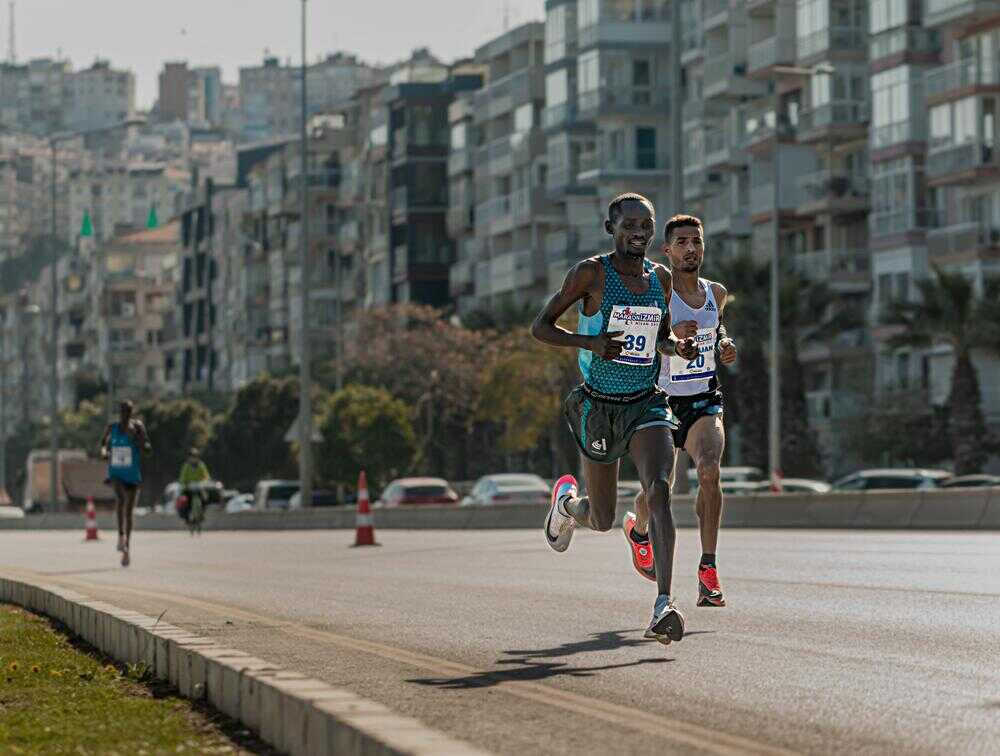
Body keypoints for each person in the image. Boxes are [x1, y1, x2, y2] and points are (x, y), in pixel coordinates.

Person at [531, 193, 698, 644]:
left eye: (647, 225)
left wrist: (674, 348)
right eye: (630, 225)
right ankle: (567, 507)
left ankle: (664, 603)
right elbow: (541, 327)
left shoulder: (659, 278)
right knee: (601, 518)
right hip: (599, 406)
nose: (639, 233)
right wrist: (590, 344)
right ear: (611, 228)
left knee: (660, 490)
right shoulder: (591, 273)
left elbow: (657, 338)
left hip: (646, 402)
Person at [625, 215, 737, 607]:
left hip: (703, 398)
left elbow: (717, 328)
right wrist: (672, 340)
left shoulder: (716, 292)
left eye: (697, 241)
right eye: (683, 242)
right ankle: (639, 530)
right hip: (660, 400)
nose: (691, 248)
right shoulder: (655, 291)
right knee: (659, 492)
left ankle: (708, 570)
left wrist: (723, 344)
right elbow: (641, 342)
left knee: (710, 469)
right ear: (667, 251)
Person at [99, 400, 151, 567]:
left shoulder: (137, 427)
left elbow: (146, 445)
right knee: (121, 499)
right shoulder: (112, 428)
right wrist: (104, 453)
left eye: (128, 412)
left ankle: (127, 545)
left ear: (131, 413)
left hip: (132, 474)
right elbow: (102, 444)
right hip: (116, 472)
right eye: (123, 412)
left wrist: (142, 443)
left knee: (129, 511)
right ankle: (120, 535)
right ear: (120, 412)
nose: (125, 415)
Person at [179, 448, 211, 535]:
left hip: (199, 488)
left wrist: (204, 482)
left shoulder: (201, 465)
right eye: (192, 457)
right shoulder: (186, 466)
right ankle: (187, 519)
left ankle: (201, 515)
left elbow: (206, 476)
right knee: (185, 502)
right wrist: (185, 484)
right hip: (188, 488)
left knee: (205, 498)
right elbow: (182, 478)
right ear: (189, 458)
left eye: (195, 456)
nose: (193, 458)